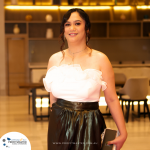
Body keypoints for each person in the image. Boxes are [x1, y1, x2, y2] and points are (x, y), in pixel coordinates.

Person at [43, 8, 127, 150]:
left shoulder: (100, 59)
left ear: (87, 28)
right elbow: (53, 98)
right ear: (63, 30)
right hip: (59, 126)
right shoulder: (54, 59)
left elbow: (112, 99)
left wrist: (123, 132)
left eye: (77, 23)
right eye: (67, 24)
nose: (72, 28)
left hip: (89, 124)